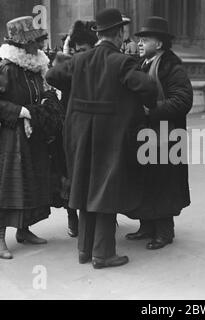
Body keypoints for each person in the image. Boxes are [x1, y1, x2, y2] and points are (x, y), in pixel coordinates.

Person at [46, 8, 158, 269]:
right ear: (119, 34)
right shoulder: (122, 62)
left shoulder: (80, 60)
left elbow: (52, 76)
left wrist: (77, 90)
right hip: (110, 137)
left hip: (78, 135)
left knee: (84, 188)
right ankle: (103, 254)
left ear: (99, 34)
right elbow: (147, 87)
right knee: (106, 190)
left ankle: (84, 251)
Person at [125, 16, 193, 250]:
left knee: (164, 184)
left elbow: (183, 101)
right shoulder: (143, 64)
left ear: (160, 44)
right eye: (140, 39)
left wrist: (150, 111)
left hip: (167, 136)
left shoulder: (172, 68)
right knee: (146, 181)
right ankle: (146, 226)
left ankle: (164, 231)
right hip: (147, 135)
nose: (140, 43)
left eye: (145, 39)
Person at [0, 16, 62, 259]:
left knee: (31, 183)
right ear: (21, 45)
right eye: (33, 42)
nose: (37, 46)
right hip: (10, 137)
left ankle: (24, 231)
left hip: (33, 132)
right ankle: (0, 238)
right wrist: (20, 112)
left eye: (38, 41)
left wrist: (45, 105)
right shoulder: (6, 68)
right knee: (8, 185)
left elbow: (46, 93)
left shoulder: (36, 67)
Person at [51, 20, 99, 238]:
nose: (80, 54)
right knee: (70, 173)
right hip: (70, 128)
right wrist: (67, 53)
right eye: (77, 50)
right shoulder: (71, 67)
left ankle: (99, 219)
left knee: (95, 174)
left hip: (95, 127)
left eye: (84, 50)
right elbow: (53, 76)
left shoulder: (98, 66)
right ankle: (73, 216)